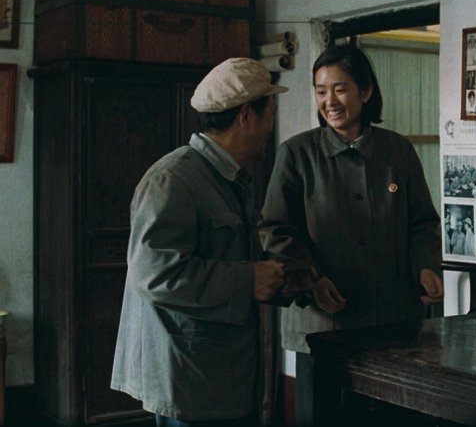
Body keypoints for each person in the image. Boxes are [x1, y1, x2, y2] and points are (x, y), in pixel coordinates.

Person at [258, 43, 443, 426]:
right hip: (324, 325)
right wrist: (312, 280)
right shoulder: (296, 154)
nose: (330, 101)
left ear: (366, 91)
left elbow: (423, 222)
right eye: (321, 91)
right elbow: (275, 230)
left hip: (392, 323)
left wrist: (425, 266)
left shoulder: (397, 151)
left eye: (340, 89)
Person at [110, 57, 288, 427]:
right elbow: (156, 275)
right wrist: (248, 279)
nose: (271, 126)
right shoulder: (174, 179)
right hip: (192, 383)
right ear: (246, 116)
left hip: (221, 377)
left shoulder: (226, 177)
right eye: (269, 114)